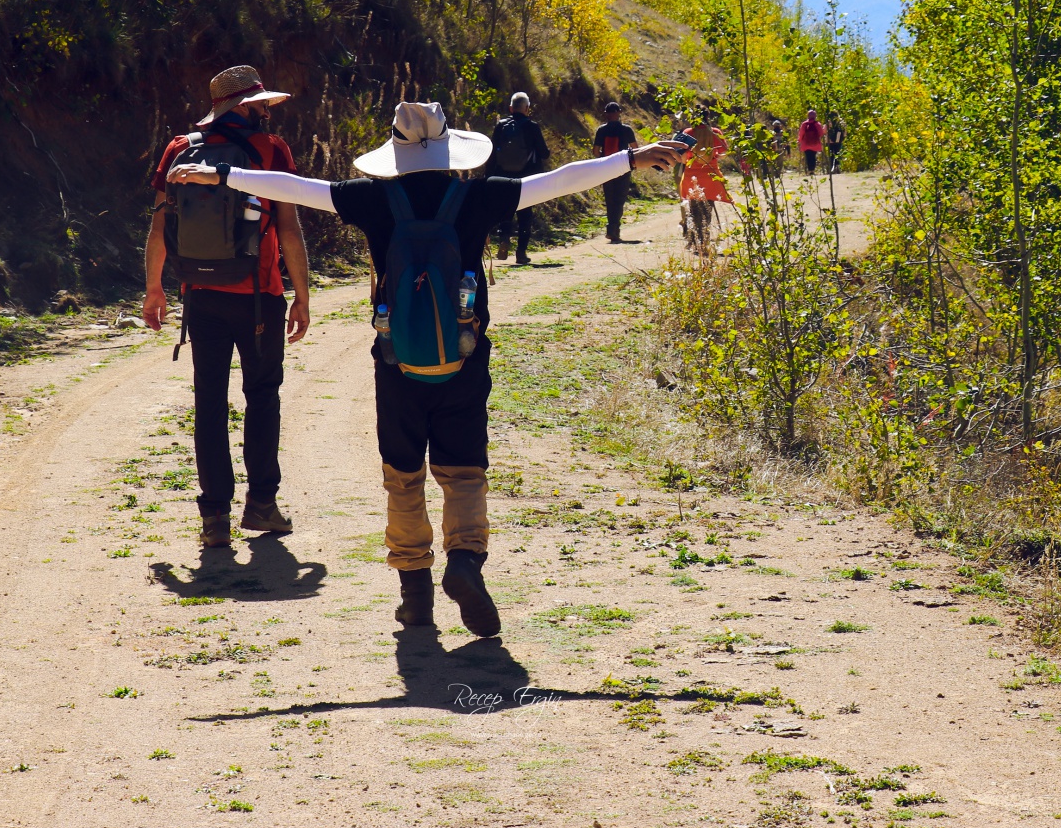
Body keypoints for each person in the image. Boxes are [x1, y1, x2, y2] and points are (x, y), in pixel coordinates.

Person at [166, 101, 684, 636]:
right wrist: (631, 157)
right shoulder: (480, 196)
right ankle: (463, 563)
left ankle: (415, 598)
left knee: (403, 475)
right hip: (464, 356)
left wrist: (219, 171)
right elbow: (563, 180)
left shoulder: (370, 199)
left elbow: (295, 187)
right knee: (463, 471)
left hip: (396, 361)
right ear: (447, 149)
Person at [143, 65, 312, 549]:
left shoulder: (180, 148)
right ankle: (261, 504)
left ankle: (214, 516)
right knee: (262, 397)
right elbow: (289, 227)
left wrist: (155, 288)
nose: (264, 110)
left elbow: (159, 227)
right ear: (244, 106)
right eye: (259, 103)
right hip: (260, 298)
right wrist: (300, 294)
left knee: (209, 403)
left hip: (200, 294)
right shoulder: (270, 150)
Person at [488, 91, 550, 264]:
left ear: (510, 108)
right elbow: (544, 153)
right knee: (525, 214)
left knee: (505, 211)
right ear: (527, 109)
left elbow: (493, 152)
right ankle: (521, 252)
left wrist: (489, 176)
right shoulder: (532, 126)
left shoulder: (501, 125)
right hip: (526, 178)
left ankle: (504, 239)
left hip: (502, 176)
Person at [680, 107, 731, 254]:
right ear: (708, 117)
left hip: (691, 175)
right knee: (707, 210)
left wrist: (689, 161)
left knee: (693, 209)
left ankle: (694, 241)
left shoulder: (687, 133)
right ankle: (704, 241)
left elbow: (682, 156)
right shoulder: (715, 132)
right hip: (710, 175)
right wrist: (714, 157)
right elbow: (724, 151)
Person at [592, 101, 640, 242]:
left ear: (606, 114)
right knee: (619, 199)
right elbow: (635, 149)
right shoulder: (627, 130)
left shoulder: (601, 130)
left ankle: (611, 228)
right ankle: (614, 229)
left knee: (610, 199)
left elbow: (595, 151)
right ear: (619, 112)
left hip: (606, 168)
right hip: (623, 167)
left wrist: (603, 159)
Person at [797, 108, 825, 177]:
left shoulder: (804, 124)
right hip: (815, 144)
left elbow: (801, 133)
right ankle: (812, 170)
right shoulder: (817, 124)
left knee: (808, 156)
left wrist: (799, 140)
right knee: (813, 156)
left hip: (806, 144)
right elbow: (821, 133)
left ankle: (809, 170)